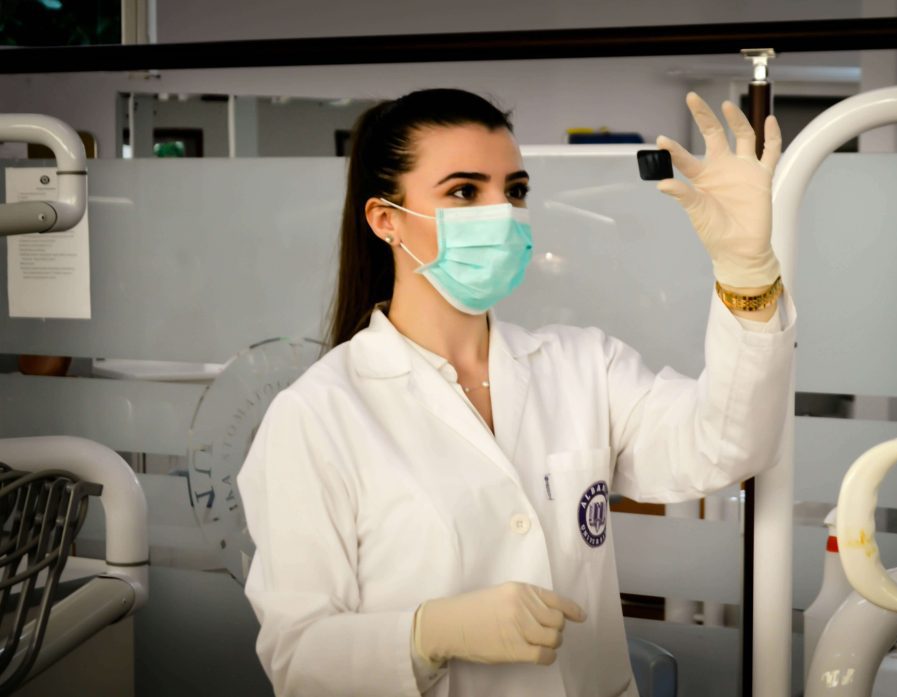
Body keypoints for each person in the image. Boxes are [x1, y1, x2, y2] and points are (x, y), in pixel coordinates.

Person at [237, 87, 796, 697]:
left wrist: (747, 272)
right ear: (385, 220)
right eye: (463, 191)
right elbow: (299, 660)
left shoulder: (582, 365)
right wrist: (427, 635)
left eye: (516, 190)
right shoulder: (318, 416)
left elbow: (726, 445)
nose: (501, 212)